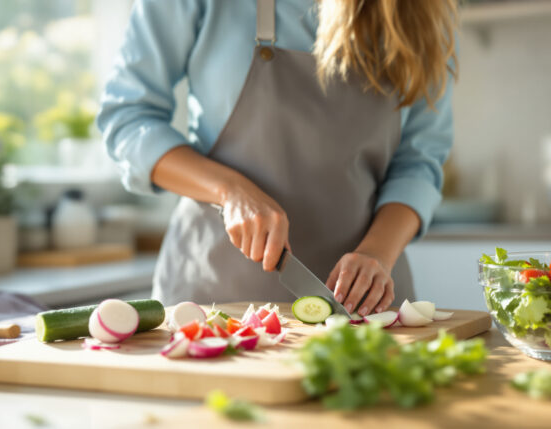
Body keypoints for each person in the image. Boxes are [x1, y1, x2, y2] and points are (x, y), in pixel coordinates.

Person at [97, 0, 458, 317]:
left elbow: (419, 163)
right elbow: (128, 119)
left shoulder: (421, 13)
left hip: (365, 306)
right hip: (214, 300)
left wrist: (378, 254)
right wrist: (229, 190)